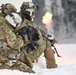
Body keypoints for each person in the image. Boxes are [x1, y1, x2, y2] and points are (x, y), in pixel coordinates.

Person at [15, 1, 57, 69]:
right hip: (23, 56)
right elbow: (37, 41)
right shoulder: (24, 23)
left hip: (16, 54)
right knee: (46, 43)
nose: (32, 14)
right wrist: (44, 38)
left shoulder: (17, 20)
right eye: (31, 12)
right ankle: (52, 67)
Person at [0, 3, 35, 73]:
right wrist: (20, 37)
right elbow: (15, 44)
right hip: (5, 59)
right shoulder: (5, 26)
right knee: (30, 71)